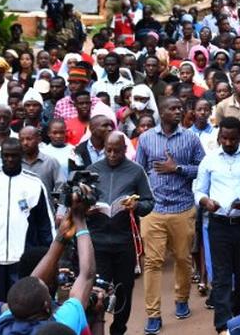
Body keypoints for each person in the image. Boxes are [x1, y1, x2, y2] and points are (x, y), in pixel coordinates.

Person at [135, 97, 206, 335]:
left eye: (180, 108)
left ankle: (181, 298)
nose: (178, 111)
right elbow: (140, 172)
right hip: (153, 210)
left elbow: (204, 169)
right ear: (161, 112)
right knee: (152, 263)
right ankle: (153, 314)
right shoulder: (146, 138)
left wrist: (177, 168)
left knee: (183, 259)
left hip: (183, 208)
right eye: (172, 108)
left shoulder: (191, 138)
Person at [194, 117, 240, 334]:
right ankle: (223, 325)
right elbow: (199, 191)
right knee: (222, 274)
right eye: (224, 138)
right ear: (219, 137)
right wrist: (206, 202)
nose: (227, 142)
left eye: (232, 139)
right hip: (219, 224)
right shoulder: (209, 161)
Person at [0, 191, 95, 335]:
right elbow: (87, 275)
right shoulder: (62, 323)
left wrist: (61, 238)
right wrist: (80, 220)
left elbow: (32, 283)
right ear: (47, 306)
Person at [0, 138, 55, 302]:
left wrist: (48, 255)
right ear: (1, 156)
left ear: (21, 156)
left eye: (14, 156)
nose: (10, 159)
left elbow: (46, 224)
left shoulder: (34, 184)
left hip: (24, 260)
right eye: (6, 155)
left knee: (23, 303)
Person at [87, 131, 154, 335]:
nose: (113, 154)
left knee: (124, 289)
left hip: (124, 241)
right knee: (96, 291)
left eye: (117, 151)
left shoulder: (136, 171)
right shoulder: (92, 170)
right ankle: (97, 328)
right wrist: (87, 208)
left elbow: (149, 202)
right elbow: (81, 200)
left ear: (125, 150)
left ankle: (118, 329)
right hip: (97, 241)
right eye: (108, 150)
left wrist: (135, 205)